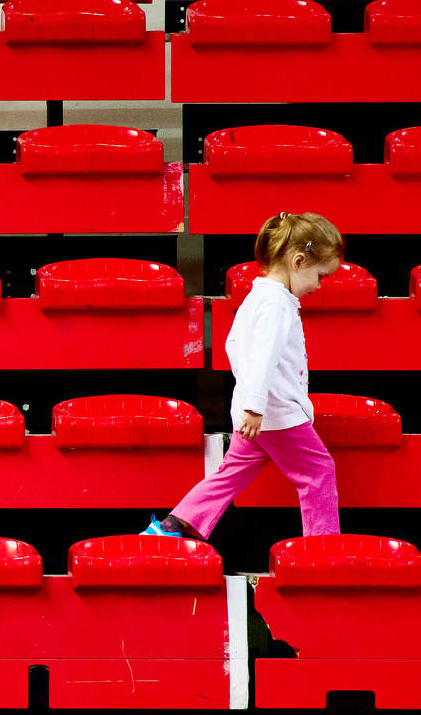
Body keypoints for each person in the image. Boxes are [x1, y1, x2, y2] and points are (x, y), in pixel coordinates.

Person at [143, 212, 344, 540]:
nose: (319, 286)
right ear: (298, 261)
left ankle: (173, 526)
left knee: (230, 473)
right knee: (318, 472)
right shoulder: (276, 304)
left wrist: (249, 403)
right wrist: (255, 404)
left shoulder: (258, 296)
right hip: (277, 414)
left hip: (259, 412)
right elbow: (261, 356)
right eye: (320, 275)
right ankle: (323, 546)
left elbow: (234, 345)